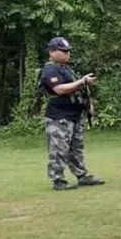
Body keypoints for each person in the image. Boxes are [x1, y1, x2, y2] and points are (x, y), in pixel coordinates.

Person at [40, 37, 106, 190]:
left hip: (74, 115)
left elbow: (79, 89)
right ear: (52, 52)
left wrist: (88, 104)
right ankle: (58, 180)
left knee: (76, 149)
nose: (67, 53)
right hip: (59, 116)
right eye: (63, 51)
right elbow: (59, 89)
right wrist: (82, 81)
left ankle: (82, 176)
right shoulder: (50, 70)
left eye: (68, 51)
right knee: (59, 149)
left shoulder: (66, 69)